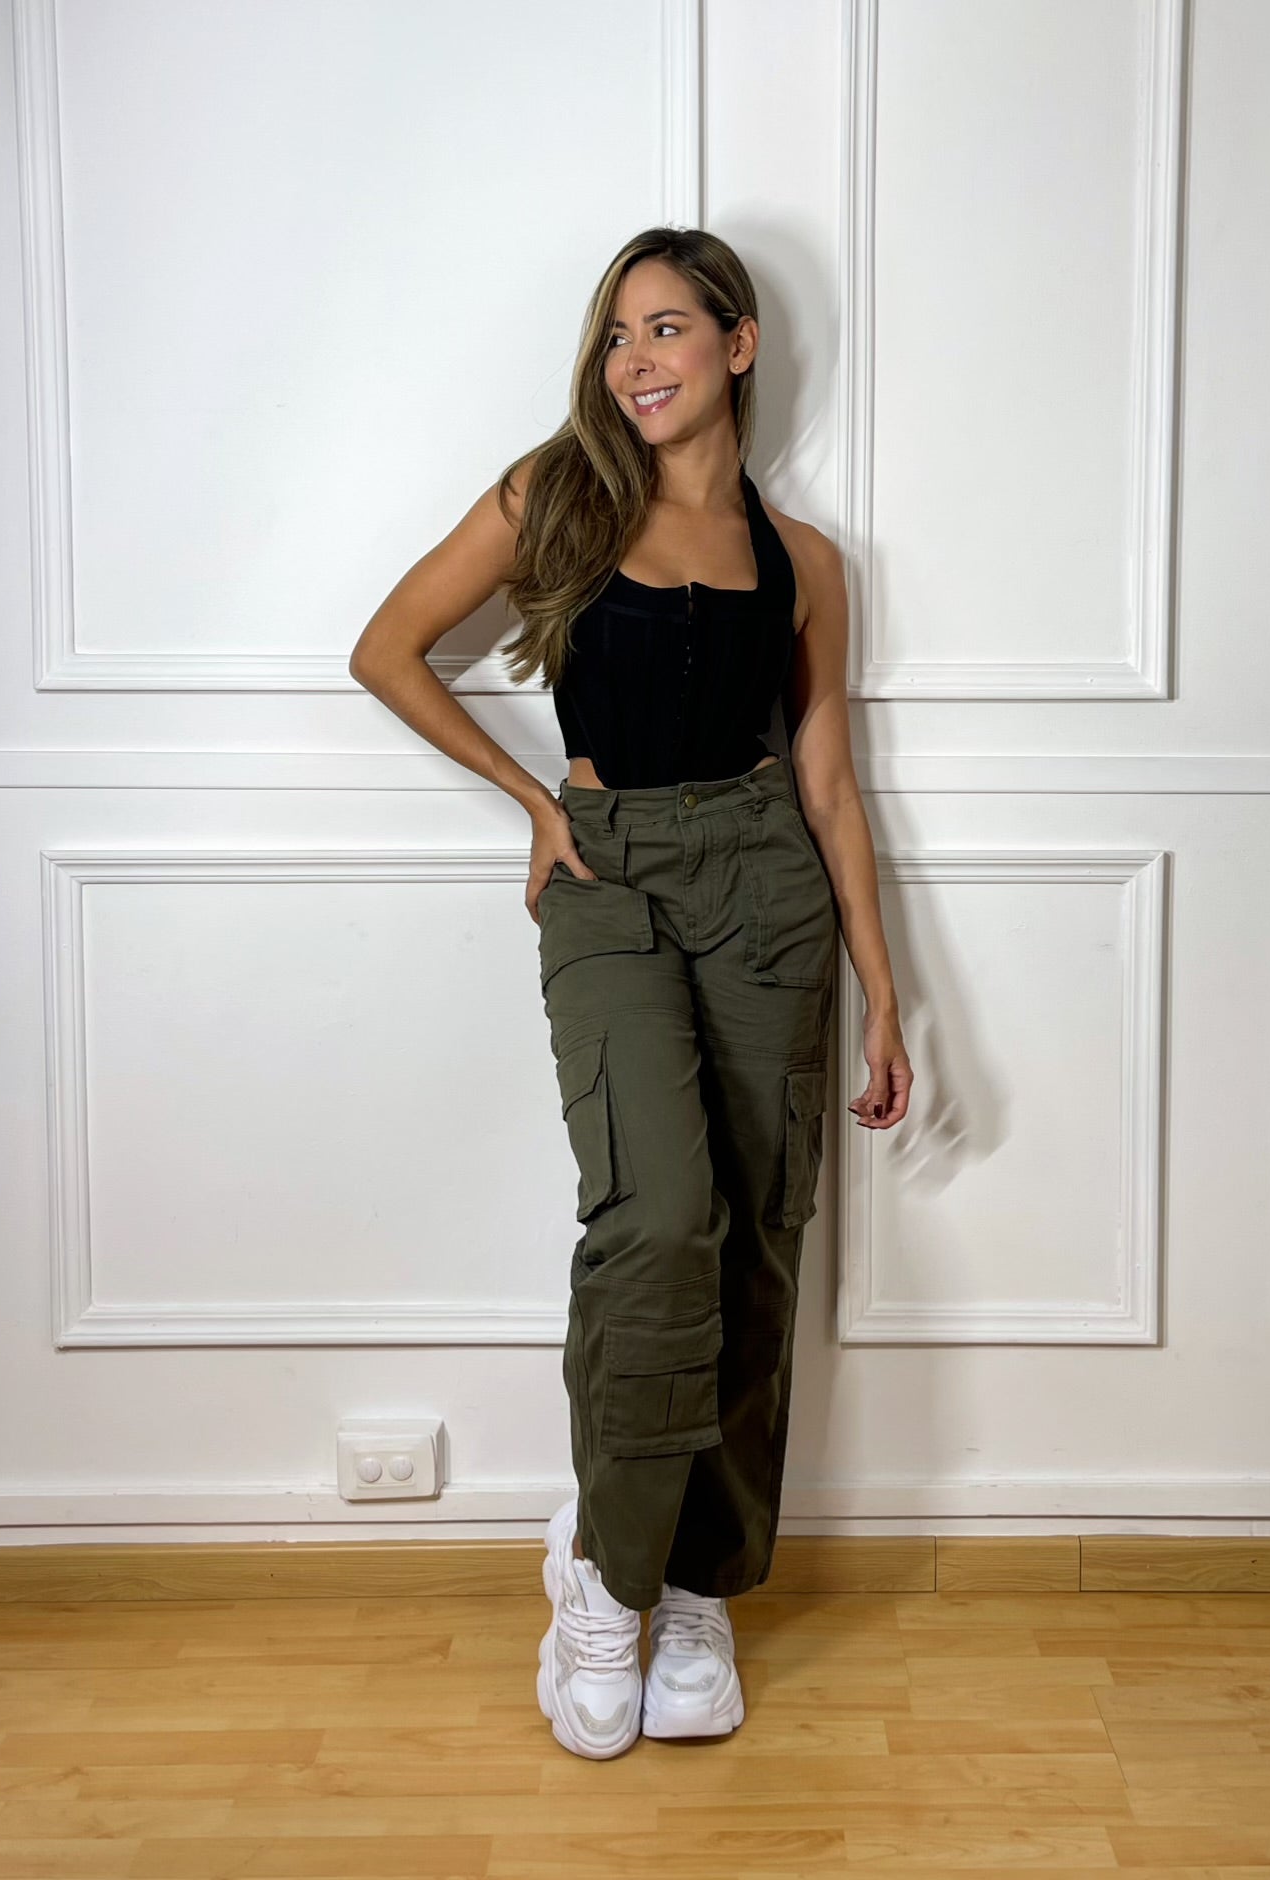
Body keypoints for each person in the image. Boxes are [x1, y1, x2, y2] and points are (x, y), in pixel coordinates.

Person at [348, 226, 911, 1759]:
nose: (634, 362)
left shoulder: (804, 562)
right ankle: (606, 1569)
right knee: (657, 1222)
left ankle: (699, 1587)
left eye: (665, 328)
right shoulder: (555, 496)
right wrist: (535, 801)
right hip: (607, 876)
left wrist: (884, 993)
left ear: (737, 344)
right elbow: (387, 650)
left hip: (765, 882)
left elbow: (828, 781)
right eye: (614, 336)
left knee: (757, 1244)